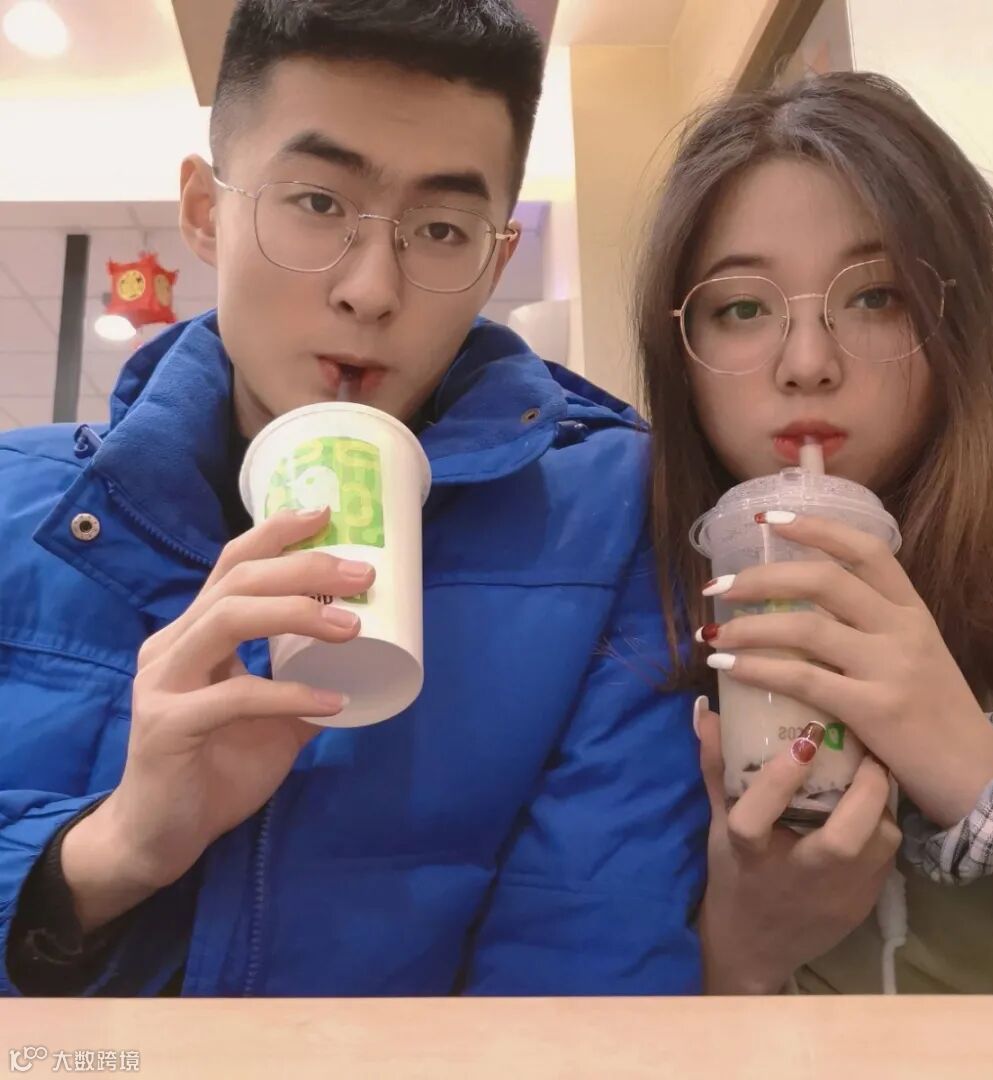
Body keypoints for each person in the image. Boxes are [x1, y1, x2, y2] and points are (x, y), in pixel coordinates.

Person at [0, 0, 707, 997]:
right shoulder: (19, 503)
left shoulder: (612, 519)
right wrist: (111, 852)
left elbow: (589, 968)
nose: (371, 289)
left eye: (442, 228)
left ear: (496, 261)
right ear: (204, 211)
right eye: (318, 203)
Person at [635, 71, 993, 994]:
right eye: (742, 308)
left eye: (877, 296)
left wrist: (975, 770)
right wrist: (743, 944)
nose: (808, 364)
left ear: (956, 319)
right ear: (680, 352)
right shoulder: (634, 600)